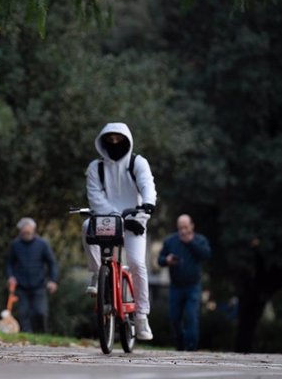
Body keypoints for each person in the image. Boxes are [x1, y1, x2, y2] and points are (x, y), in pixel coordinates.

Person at [82, 122, 157, 341]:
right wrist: (116, 218)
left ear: (127, 140)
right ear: (103, 142)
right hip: (108, 218)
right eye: (110, 139)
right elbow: (95, 198)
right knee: (87, 227)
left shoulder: (138, 162)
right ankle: (98, 273)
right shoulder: (96, 167)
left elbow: (147, 186)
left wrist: (147, 206)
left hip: (135, 219)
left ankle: (142, 316)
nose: (114, 143)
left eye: (118, 139)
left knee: (136, 263)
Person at [158, 214, 211, 351]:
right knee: (174, 318)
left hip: (193, 286)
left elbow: (206, 255)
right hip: (175, 287)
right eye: (180, 228)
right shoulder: (170, 241)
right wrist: (167, 260)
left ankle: (191, 347)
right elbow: (160, 260)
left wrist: (190, 242)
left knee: (191, 316)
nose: (183, 231)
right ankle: (180, 346)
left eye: (186, 227)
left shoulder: (199, 240)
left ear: (192, 226)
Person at [6, 217, 58, 333]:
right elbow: (9, 263)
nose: (26, 235)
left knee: (40, 312)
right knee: (23, 313)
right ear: (20, 232)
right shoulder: (15, 245)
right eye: (24, 233)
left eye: (28, 233)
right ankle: (26, 336)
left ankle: (42, 334)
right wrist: (11, 276)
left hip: (39, 285)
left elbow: (52, 263)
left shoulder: (42, 244)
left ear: (34, 231)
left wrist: (53, 280)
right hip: (21, 285)